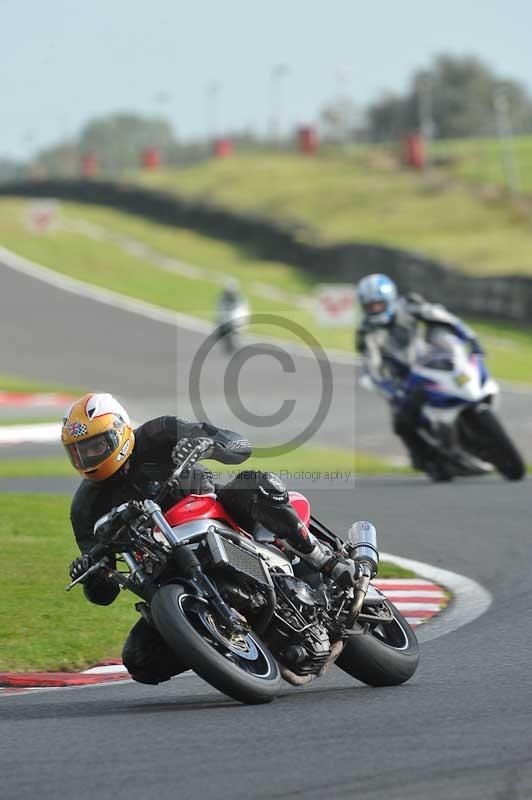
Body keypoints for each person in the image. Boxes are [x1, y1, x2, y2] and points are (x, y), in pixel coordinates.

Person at [63, 393, 359, 685]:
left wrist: (205, 444)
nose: (89, 457)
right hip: (167, 567)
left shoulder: (158, 433)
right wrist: (91, 575)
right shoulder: (85, 509)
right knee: (141, 660)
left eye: (96, 446)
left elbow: (238, 444)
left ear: (119, 431)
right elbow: (103, 593)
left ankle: (323, 559)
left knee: (255, 484)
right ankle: (226, 647)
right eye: (79, 452)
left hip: (216, 514)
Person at [355, 274, 483, 471]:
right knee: (401, 422)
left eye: (379, 304)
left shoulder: (408, 305)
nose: (375, 309)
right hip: (403, 381)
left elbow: (441, 316)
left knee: (461, 378)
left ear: (390, 299)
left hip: (429, 362)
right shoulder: (366, 333)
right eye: (370, 306)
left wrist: (469, 337)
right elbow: (372, 366)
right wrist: (390, 390)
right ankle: (422, 457)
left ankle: (476, 412)